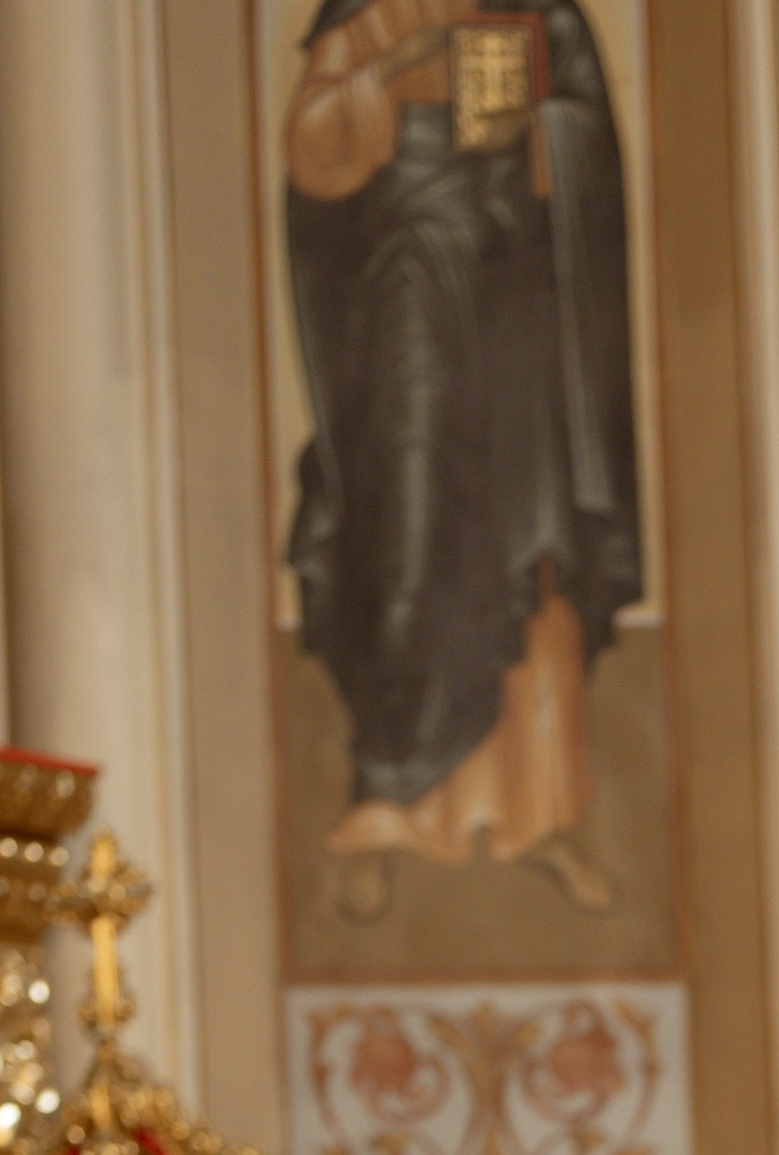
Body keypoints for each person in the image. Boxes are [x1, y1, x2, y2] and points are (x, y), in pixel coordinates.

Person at [282, 0, 641, 916]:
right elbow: (314, 156)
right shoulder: (364, 12)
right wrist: (401, 65)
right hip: (406, 275)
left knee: (535, 545)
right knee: (407, 531)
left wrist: (543, 133)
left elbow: (589, 138)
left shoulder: (540, 13)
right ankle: (388, 799)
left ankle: (538, 814)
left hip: (518, 289)